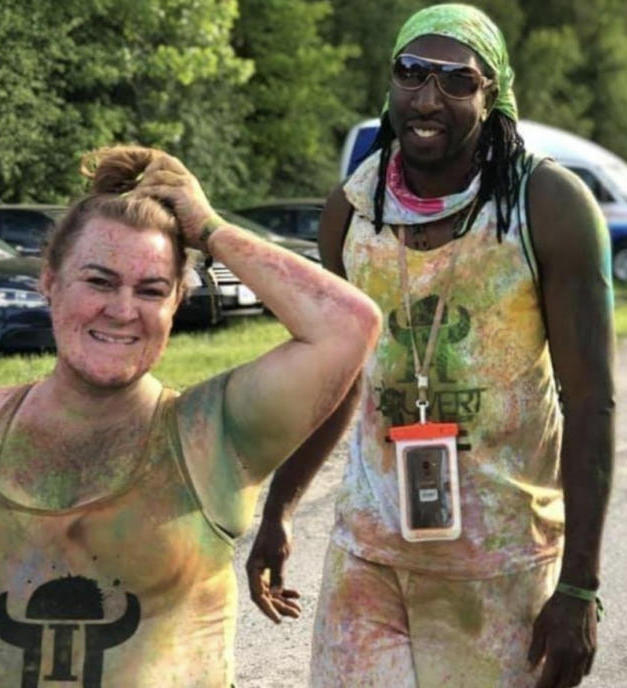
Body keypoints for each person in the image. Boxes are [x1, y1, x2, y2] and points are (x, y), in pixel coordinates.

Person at [0, 146, 381, 688]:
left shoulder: (213, 433)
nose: (122, 309)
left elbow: (349, 325)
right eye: (99, 281)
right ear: (49, 281)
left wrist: (209, 228)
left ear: (178, 300)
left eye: (151, 290)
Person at [245, 4, 615, 687]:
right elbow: (334, 377)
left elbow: (591, 400)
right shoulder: (352, 213)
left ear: (492, 93)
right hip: (370, 556)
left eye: (456, 81)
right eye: (411, 72)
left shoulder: (547, 208)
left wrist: (581, 588)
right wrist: (280, 510)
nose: (427, 97)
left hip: (498, 566)